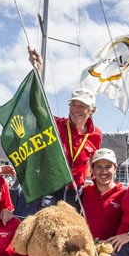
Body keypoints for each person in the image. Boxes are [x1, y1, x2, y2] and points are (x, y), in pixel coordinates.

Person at [28, 47, 102, 209]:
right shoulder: (57, 125)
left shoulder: (96, 135)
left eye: (81, 106)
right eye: (73, 104)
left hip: (75, 193)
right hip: (50, 189)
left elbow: (92, 165)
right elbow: (38, 108)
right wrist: (38, 72)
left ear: (92, 110)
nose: (75, 109)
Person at [80, 148, 126, 241]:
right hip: (88, 250)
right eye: (99, 167)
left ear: (115, 169)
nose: (104, 172)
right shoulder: (84, 192)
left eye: (108, 167)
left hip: (112, 252)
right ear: (92, 169)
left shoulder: (125, 194)